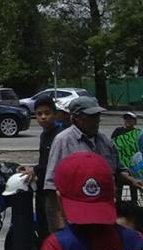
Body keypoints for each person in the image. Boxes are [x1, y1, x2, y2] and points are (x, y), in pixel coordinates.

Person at [44, 97, 139, 231]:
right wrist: (57, 228)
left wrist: (131, 179)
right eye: (92, 116)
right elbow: (51, 187)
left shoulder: (104, 141)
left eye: (98, 115)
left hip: (104, 214)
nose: (97, 120)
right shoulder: (63, 141)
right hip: (76, 217)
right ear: (77, 118)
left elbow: (117, 170)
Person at [20, 96, 64, 242]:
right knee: (43, 229)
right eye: (39, 114)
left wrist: (35, 170)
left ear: (55, 114)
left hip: (54, 191)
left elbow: (57, 164)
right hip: (42, 188)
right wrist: (33, 171)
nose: (43, 117)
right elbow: (44, 161)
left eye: (47, 113)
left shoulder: (61, 136)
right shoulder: (44, 134)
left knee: (54, 231)